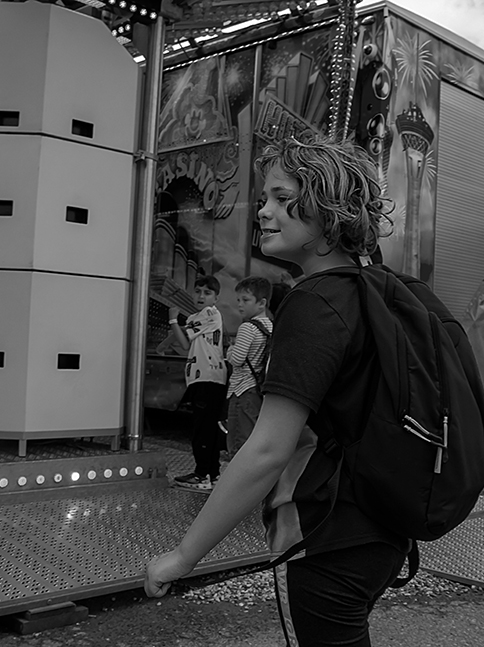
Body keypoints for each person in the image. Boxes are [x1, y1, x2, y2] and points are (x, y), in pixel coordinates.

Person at [145, 136, 407, 647]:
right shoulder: (373, 290)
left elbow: (267, 450)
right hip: (382, 527)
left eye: (282, 199)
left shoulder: (313, 305)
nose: (263, 211)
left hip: (326, 534)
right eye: (266, 197)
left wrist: (182, 556)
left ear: (329, 210)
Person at [168, 275, 228, 491]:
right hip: (206, 379)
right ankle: (213, 473)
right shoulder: (201, 317)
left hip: (207, 378)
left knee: (202, 429)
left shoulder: (209, 314)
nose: (201, 296)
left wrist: (173, 320)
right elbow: (186, 344)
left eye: (207, 293)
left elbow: (184, 341)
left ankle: (202, 474)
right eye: (198, 291)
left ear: (216, 298)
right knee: (208, 428)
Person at [224, 277, 273, 458]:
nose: (240, 305)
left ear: (262, 303)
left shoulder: (247, 328)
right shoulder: (271, 326)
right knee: (252, 438)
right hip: (258, 390)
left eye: (245, 300)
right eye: (238, 300)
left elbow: (236, 360)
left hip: (242, 389)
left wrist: (230, 350)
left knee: (238, 442)